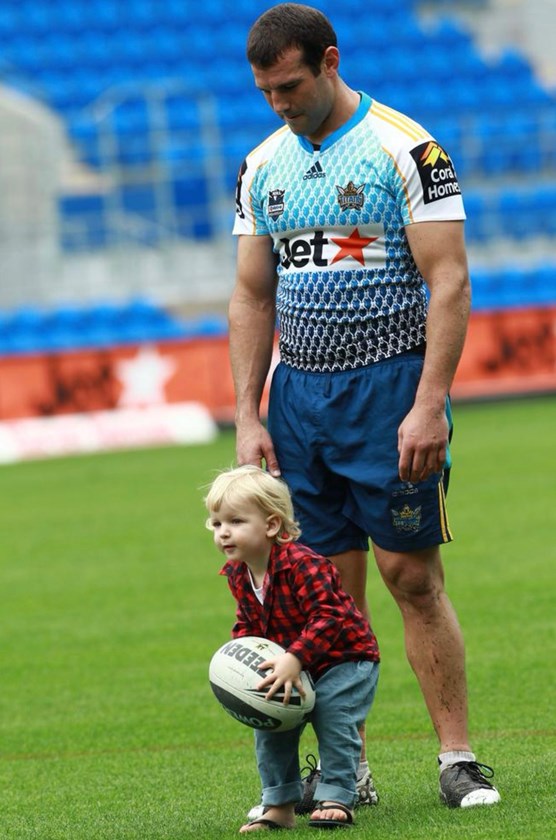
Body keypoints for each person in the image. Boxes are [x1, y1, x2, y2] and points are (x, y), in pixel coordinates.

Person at [229, 1, 501, 815]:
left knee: (410, 577)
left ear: (331, 61)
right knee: (321, 595)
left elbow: (448, 281)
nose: (280, 103)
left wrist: (429, 404)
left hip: (390, 390)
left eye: (291, 85)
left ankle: (458, 757)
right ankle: (348, 772)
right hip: (300, 400)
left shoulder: (407, 150)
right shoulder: (260, 165)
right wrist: (248, 411)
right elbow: (250, 292)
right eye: (267, 91)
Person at [205, 465, 380, 832]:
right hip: (292, 663)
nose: (223, 532)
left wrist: (294, 657)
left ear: (271, 525)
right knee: (270, 724)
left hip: (343, 658)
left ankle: (336, 797)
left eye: (235, 521)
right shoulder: (239, 573)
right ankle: (279, 806)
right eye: (216, 523)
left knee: (333, 717)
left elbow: (329, 617)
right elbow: (249, 624)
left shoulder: (304, 564)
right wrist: (242, 660)